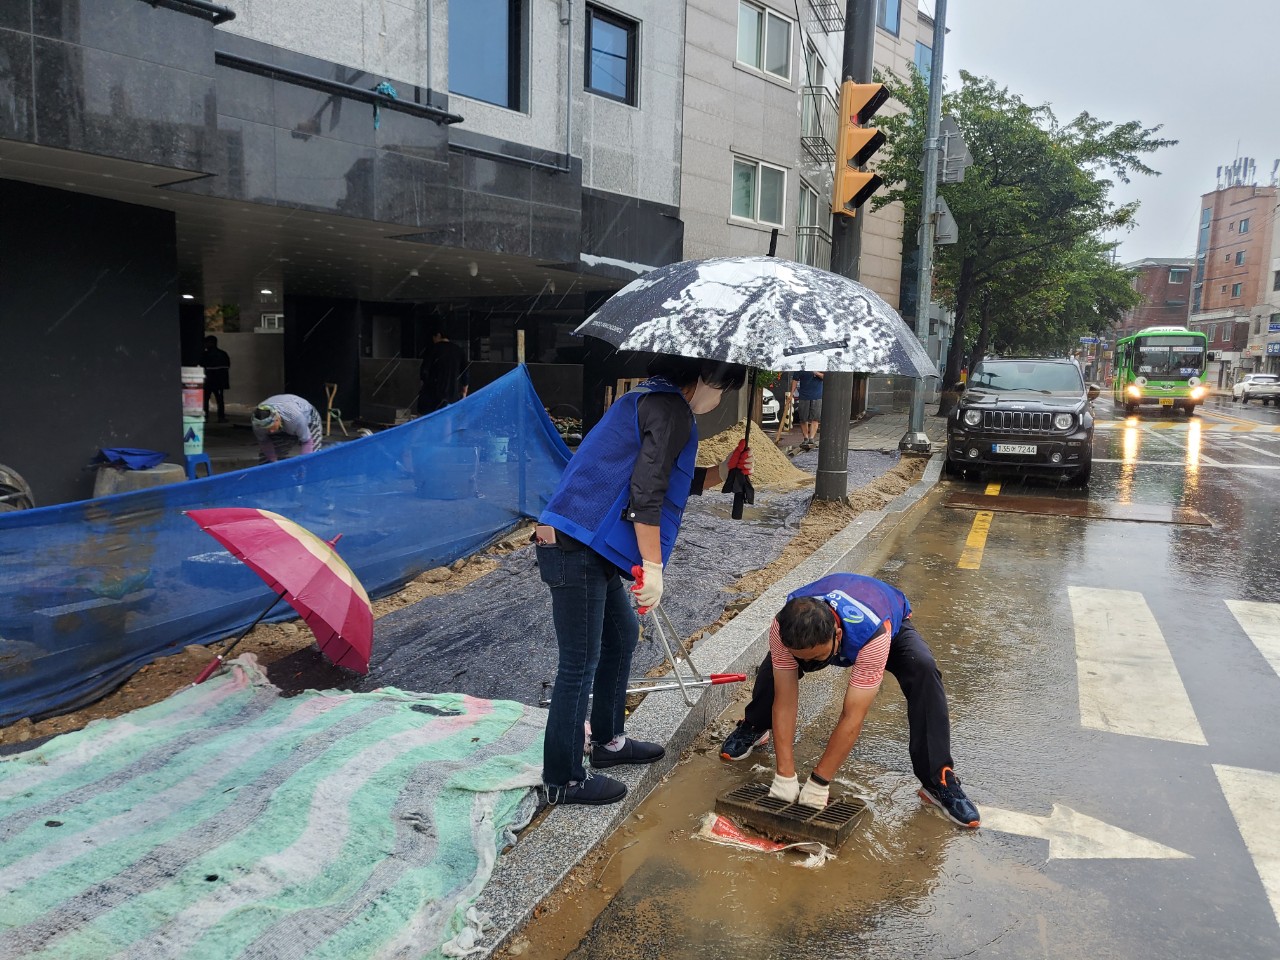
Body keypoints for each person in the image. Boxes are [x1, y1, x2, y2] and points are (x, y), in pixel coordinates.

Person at [535, 355, 752, 806]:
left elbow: (666, 479)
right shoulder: (669, 408)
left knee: (622, 635)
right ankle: (563, 778)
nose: (720, 399)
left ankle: (610, 743)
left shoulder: (649, 400)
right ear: (704, 378)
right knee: (579, 663)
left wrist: (723, 471)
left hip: (587, 543)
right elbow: (646, 494)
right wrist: (653, 567)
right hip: (576, 546)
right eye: (723, 388)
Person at [719, 572, 980, 829]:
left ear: (837, 637)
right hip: (823, 626)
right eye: (803, 657)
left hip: (879, 619)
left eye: (817, 657)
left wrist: (820, 780)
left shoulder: (874, 636)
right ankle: (755, 726)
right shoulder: (781, 627)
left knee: (923, 669)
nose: (809, 663)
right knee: (774, 672)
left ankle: (938, 780)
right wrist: (785, 773)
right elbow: (786, 701)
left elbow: (852, 715)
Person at [251, 394, 324, 463]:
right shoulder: (257, 424)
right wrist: (273, 463)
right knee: (266, 461)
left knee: (312, 457)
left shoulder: (295, 418)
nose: (271, 431)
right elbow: (265, 442)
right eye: (266, 429)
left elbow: (307, 442)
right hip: (286, 424)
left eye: (272, 427)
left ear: (277, 419)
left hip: (307, 418)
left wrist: (304, 465)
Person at [418, 327, 470, 415]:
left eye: (434, 338)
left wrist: (425, 385)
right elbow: (465, 373)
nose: (433, 340)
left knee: (431, 420)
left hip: (433, 394)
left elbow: (424, 372)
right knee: (448, 418)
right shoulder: (459, 350)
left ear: (438, 335)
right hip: (451, 394)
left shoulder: (433, 349)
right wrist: (464, 391)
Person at [201, 335, 231, 423]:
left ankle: (205, 416)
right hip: (219, 381)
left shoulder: (205, 355)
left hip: (209, 381)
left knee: (205, 399)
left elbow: (202, 365)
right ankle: (221, 417)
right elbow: (227, 366)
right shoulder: (223, 354)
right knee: (220, 399)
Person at [792, 371, 823, 450]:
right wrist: (791, 393)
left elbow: (825, 377)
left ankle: (811, 439)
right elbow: (795, 380)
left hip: (817, 395)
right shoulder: (801, 367)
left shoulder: (820, 364)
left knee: (815, 418)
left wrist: (816, 373)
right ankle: (806, 438)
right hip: (803, 396)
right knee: (803, 418)